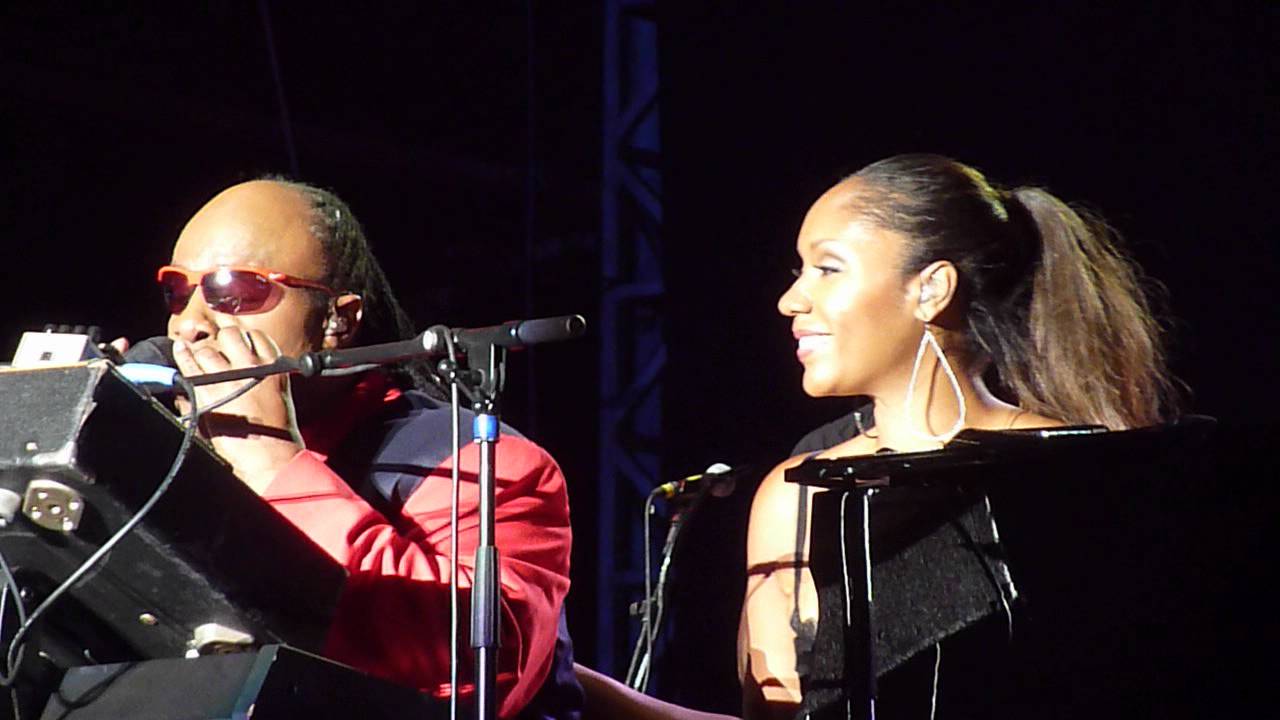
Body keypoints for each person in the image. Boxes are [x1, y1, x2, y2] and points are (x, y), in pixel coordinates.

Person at [577, 153, 1175, 720]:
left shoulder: (1083, 469)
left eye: (828, 268)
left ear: (931, 288)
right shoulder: (796, 494)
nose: (791, 299)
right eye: (799, 271)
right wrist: (577, 687)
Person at [136, 178, 580, 719]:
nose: (189, 325)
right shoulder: (172, 446)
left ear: (336, 322)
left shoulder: (472, 464)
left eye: (234, 291)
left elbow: (470, 676)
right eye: (178, 292)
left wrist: (276, 465)